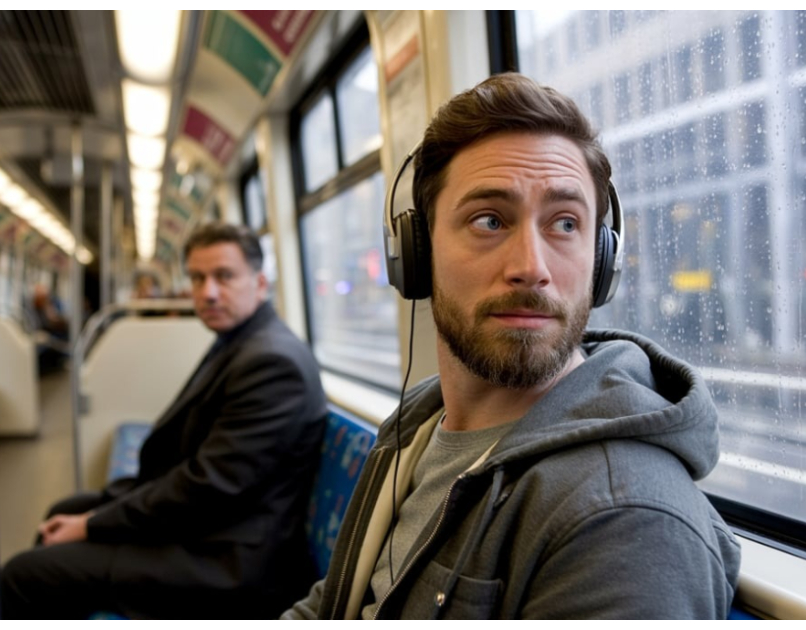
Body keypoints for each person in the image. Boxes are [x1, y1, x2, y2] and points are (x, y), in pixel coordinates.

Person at [283, 73, 740, 620]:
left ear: (601, 261)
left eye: (565, 223)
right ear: (418, 253)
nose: (531, 267)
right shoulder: (416, 428)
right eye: (490, 220)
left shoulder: (624, 521)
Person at [1, 223, 328, 619]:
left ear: (260, 283)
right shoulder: (241, 341)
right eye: (198, 278)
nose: (207, 292)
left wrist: (92, 525)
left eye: (224, 276)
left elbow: (208, 487)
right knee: (65, 507)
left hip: (229, 561)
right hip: (213, 527)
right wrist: (98, 513)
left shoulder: (272, 363)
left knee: (22, 575)